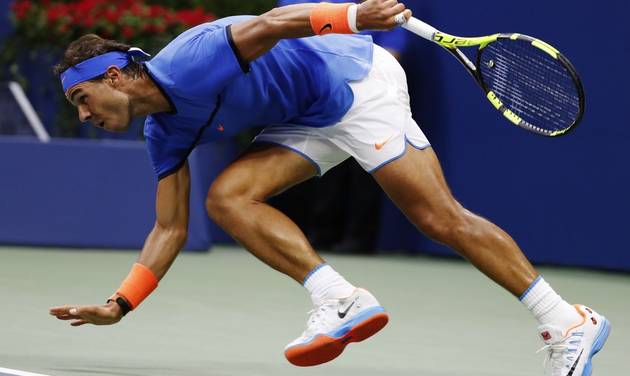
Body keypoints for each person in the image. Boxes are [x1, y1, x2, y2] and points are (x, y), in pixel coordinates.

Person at [48, 1, 610, 374]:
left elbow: (272, 22)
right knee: (226, 198)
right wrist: (121, 304)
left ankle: (568, 320)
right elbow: (169, 226)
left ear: (114, 77)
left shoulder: (191, 58)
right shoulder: (164, 132)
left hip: (355, 82)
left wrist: (353, 15)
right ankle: (340, 298)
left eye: (82, 100)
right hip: (307, 116)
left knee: (439, 219)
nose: (84, 114)